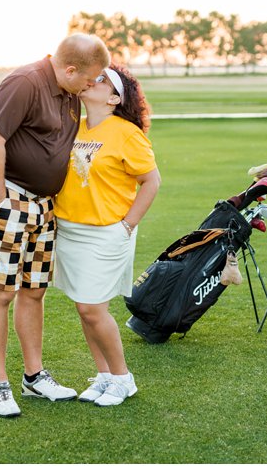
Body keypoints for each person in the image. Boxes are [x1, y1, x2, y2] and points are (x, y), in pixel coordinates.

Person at [0, 33, 111, 418]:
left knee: (34, 292)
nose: (92, 86)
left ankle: (33, 377)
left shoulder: (70, 90)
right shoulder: (25, 82)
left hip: (44, 206)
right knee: (1, 291)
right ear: (70, 69)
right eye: (89, 80)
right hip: (11, 200)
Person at [51, 64, 161, 407]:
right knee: (84, 309)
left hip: (106, 232)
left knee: (92, 307)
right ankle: (103, 375)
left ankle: (123, 378)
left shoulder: (127, 133)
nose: (91, 81)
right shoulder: (76, 127)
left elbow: (151, 181)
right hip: (70, 229)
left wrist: (127, 225)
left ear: (114, 97)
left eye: (101, 79)